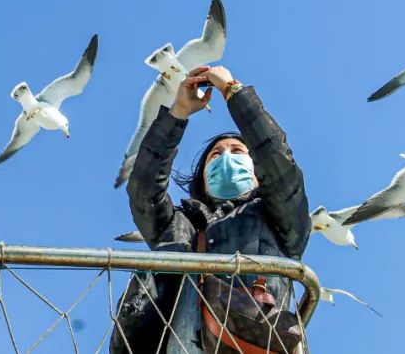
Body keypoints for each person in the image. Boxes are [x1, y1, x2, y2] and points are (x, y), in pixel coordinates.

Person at [124, 63, 310, 354]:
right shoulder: (179, 226)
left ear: (257, 171)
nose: (225, 157)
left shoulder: (279, 217)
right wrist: (178, 113)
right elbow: (143, 190)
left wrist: (233, 92)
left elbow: (281, 168)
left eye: (237, 152)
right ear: (202, 177)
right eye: (215, 155)